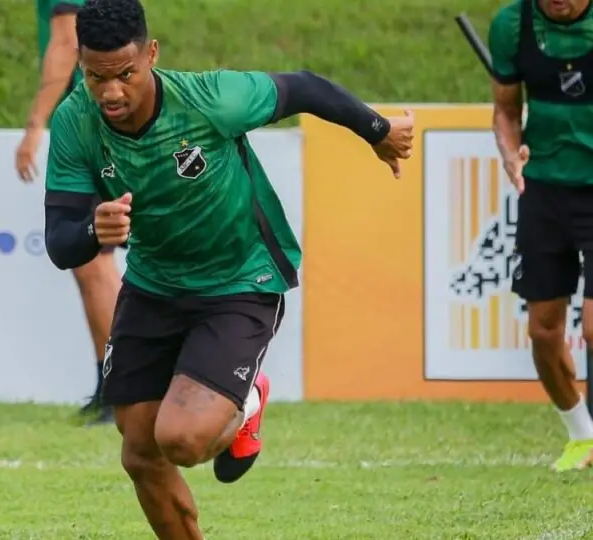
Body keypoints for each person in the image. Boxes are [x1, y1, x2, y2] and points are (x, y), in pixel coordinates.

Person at [43, 0, 414, 535]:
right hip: (152, 283)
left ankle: (249, 399)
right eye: (96, 77)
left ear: (151, 54)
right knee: (139, 451)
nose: (111, 92)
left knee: (181, 439)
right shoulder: (74, 121)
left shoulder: (210, 99)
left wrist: (376, 130)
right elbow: (61, 242)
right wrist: (90, 231)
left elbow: (304, 88)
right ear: (81, 62)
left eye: (125, 74)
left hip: (239, 281)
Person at [489, 0, 593, 471]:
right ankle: (582, 435)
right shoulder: (512, 25)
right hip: (544, 190)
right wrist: (511, 156)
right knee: (543, 331)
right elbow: (506, 112)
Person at [16, 0, 121, 424]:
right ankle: (110, 382)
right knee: (89, 263)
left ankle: (126, 384)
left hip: (92, 121)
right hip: (100, 120)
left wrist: (34, 126)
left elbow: (66, 43)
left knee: (95, 264)